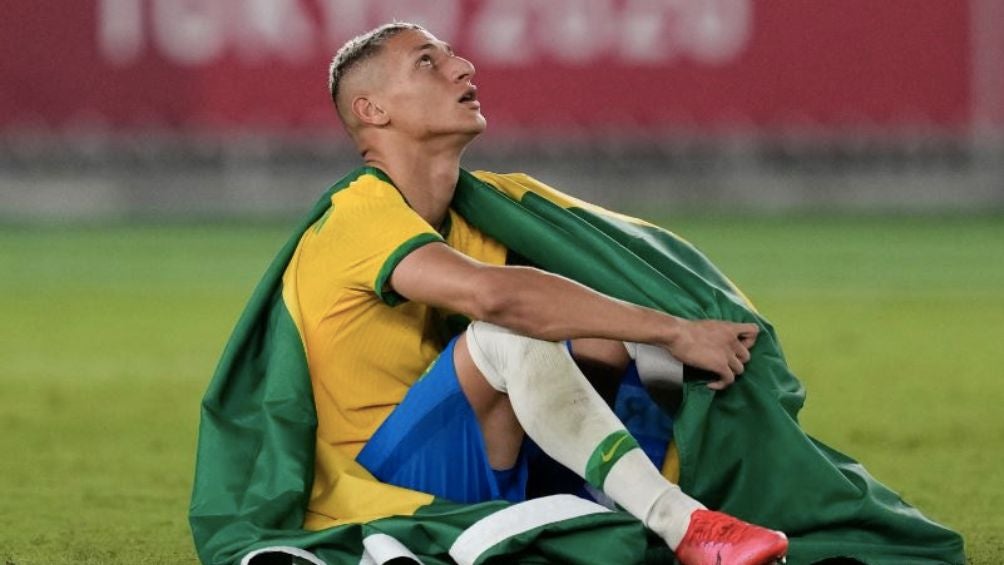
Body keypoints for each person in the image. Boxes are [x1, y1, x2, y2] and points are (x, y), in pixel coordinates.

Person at [288, 21, 788, 564]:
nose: (463, 67)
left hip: (485, 455)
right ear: (372, 111)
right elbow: (496, 299)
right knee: (509, 329)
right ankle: (681, 523)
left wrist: (673, 331)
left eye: (452, 55)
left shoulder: (482, 212)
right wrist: (675, 329)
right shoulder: (356, 213)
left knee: (610, 336)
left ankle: (637, 506)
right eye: (427, 63)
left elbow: (589, 303)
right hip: (382, 485)